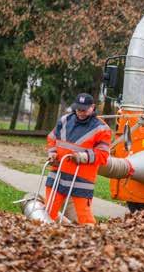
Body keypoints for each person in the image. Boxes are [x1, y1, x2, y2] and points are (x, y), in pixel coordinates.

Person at [46, 93, 111, 225]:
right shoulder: (64, 120)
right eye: (78, 109)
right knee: (48, 212)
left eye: (84, 109)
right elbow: (52, 138)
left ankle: (95, 240)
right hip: (58, 173)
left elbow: (103, 155)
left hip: (81, 179)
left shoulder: (102, 128)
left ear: (92, 107)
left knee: (84, 217)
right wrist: (52, 153)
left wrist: (83, 156)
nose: (80, 112)